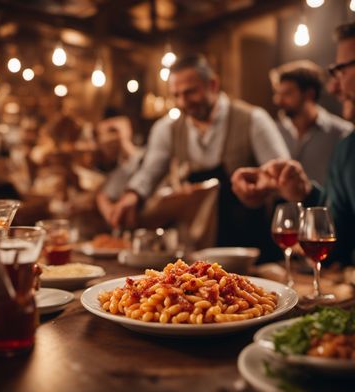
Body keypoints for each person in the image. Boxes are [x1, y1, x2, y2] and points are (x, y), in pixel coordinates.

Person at [110, 54, 290, 256]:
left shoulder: (254, 120)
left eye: (190, 92)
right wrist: (132, 194)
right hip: (197, 247)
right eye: (176, 95)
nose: (182, 101)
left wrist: (263, 187)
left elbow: (283, 177)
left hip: (249, 245)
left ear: (212, 85)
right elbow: (150, 171)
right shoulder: (167, 129)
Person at [231, 22, 355, 266]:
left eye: (341, 70)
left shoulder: (340, 134)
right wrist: (304, 193)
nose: (334, 87)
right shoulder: (348, 149)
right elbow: (337, 237)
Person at [270, 60, 352, 185]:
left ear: (309, 94)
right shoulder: (273, 131)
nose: (278, 101)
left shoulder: (342, 134)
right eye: (278, 93)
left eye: (287, 93)